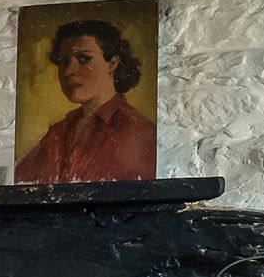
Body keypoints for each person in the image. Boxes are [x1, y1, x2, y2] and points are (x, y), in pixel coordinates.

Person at [14, 17, 157, 184]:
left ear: (112, 63)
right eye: (63, 61)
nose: (68, 71)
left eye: (84, 59)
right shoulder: (60, 131)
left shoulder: (138, 132)